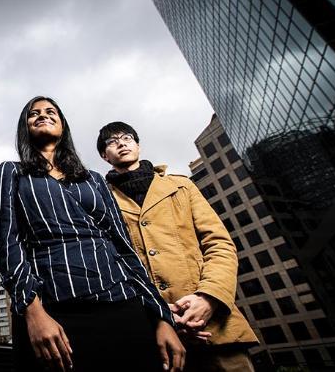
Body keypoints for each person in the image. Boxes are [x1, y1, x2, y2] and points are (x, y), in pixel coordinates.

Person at [0, 96, 184, 372]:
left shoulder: (92, 178)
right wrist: (33, 313)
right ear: (26, 127)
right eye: (34, 114)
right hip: (55, 311)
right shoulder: (12, 173)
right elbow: (5, 245)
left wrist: (162, 318)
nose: (42, 115)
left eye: (50, 111)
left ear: (63, 125)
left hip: (123, 304)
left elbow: (123, 246)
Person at [97, 121, 258, 372]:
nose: (120, 143)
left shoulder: (181, 186)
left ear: (138, 145)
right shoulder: (100, 202)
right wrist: (157, 314)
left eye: (127, 137)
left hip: (214, 326)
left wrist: (209, 298)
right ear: (104, 156)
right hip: (152, 336)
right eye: (111, 141)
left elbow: (219, 245)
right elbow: (109, 267)